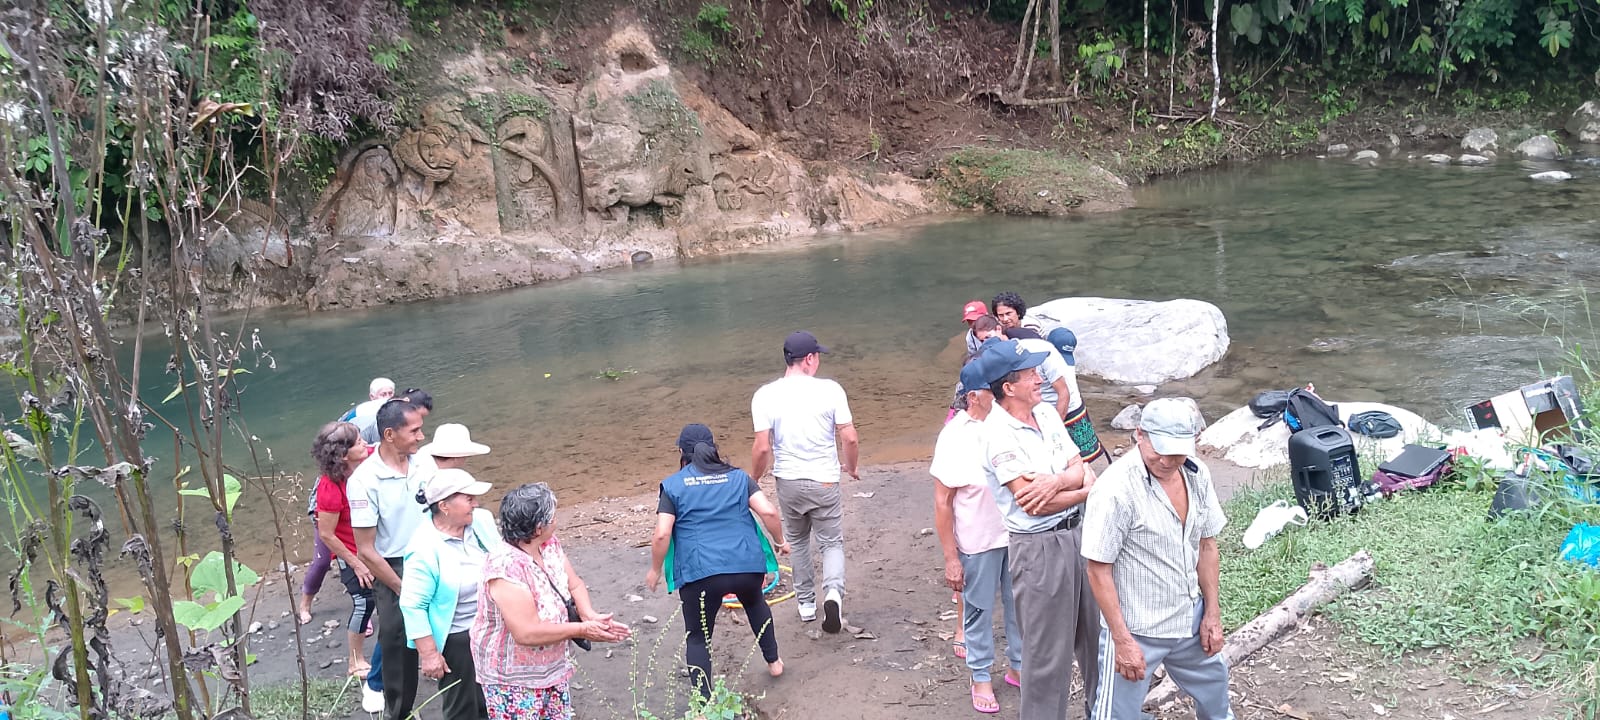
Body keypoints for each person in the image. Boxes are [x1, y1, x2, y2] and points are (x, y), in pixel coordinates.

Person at [1083, 398, 1233, 720]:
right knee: (1115, 716)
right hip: (1138, 628)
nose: (1166, 460)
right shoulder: (1115, 489)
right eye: (1159, 450)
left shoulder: (1196, 474)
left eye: (1176, 452)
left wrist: (1212, 612)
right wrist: (1122, 641)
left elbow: (1207, 545)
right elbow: (1098, 570)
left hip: (1188, 617)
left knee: (1217, 697)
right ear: (1140, 435)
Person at [978, 339, 1100, 720]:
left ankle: (1103, 711)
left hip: (1078, 535)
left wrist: (1057, 482)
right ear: (1008, 387)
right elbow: (1035, 504)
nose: (1039, 378)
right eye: (1030, 374)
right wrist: (1082, 490)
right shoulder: (996, 434)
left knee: (1097, 638)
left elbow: (1080, 466)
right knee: (1047, 656)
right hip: (1039, 549)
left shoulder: (1046, 413)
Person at [646, 424, 788, 699]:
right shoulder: (739, 477)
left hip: (701, 572)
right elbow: (769, 512)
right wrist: (781, 542)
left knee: (698, 637)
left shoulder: (672, 486)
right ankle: (774, 663)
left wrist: (655, 570)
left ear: (681, 451)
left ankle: (703, 704)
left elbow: (662, 534)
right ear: (713, 447)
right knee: (755, 604)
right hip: (746, 565)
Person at [473, 483, 630, 719]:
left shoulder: (549, 544)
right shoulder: (505, 567)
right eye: (553, 517)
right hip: (514, 679)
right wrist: (582, 629)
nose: (556, 521)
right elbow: (526, 633)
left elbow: (574, 584)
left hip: (552, 667)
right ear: (538, 528)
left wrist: (589, 615)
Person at [750, 330, 858, 633]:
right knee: (831, 542)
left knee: (797, 541)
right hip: (824, 480)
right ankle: (833, 593)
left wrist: (754, 479)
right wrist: (851, 467)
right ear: (809, 359)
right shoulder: (831, 390)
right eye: (817, 355)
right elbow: (849, 437)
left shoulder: (764, 395)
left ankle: (807, 604)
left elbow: (762, 447)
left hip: (788, 480)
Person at [933, 356, 1023, 714]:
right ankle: (981, 675)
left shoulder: (1007, 422)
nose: (1000, 393)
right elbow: (943, 502)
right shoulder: (955, 435)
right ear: (973, 396)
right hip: (978, 541)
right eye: (992, 389)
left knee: (1020, 607)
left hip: (1016, 535)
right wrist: (951, 558)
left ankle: (1018, 666)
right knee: (978, 610)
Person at [349, 399, 437, 720]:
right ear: (389, 434)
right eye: (414, 431)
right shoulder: (364, 480)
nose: (421, 437)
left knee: (453, 629)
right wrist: (402, 588)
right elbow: (366, 550)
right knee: (397, 641)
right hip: (393, 565)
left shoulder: (424, 464)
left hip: (433, 553)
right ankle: (398, 713)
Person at [401, 468, 499, 720]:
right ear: (444, 506)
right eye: (468, 498)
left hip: (494, 628)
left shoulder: (481, 521)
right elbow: (412, 605)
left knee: (495, 700)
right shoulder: (423, 548)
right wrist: (429, 654)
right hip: (458, 638)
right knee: (463, 708)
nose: (475, 504)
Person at [309, 421, 378, 676]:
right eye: (359, 442)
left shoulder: (370, 460)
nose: (365, 444)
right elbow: (326, 534)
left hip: (376, 544)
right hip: (351, 551)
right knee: (363, 602)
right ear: (343, 455)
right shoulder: (330, 487)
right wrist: (357, 564)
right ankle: (355, 661)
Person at [1048, 328, 1106, 466]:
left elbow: (1064, 396)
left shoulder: (1056, 367)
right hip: (1076, 409)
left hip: (1066, 411)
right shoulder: (1065, 365)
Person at [1003, 326, 1072, 422]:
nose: (1040, 380)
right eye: (1032, 373)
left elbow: (1064, 392)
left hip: (1065, 409)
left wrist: (1056, 426)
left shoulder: (1047, 355)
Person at [342, 377, 397, 444]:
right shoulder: (363, 411)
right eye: (383, 394)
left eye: (390, 393)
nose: (388, 397)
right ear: (372, 397)